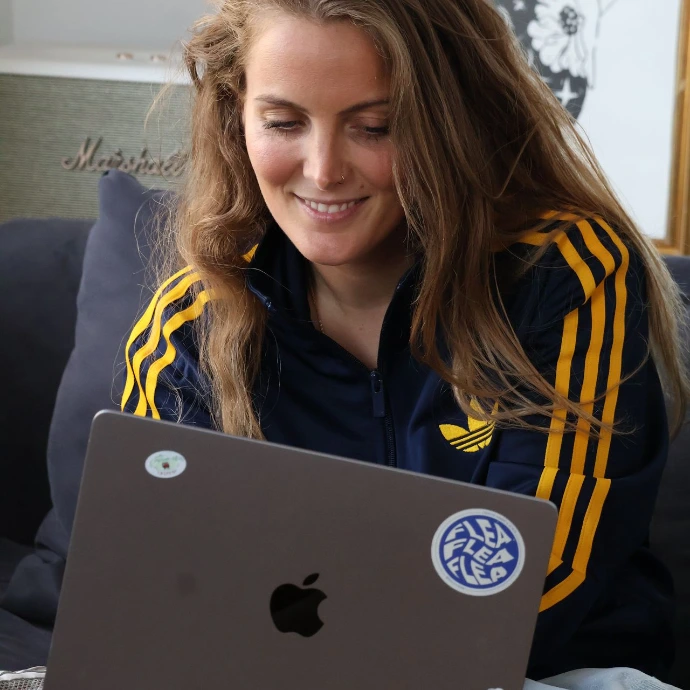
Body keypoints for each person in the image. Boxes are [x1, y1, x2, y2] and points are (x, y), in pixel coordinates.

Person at [121, 0, 689, 686]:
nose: (324, 171)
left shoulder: (561, 272)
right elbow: (148, 579)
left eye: (375, 127)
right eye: (283, 123)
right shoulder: (190, 323)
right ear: (234, 118)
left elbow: (539, 582)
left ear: (452, 123)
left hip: (545, 670)